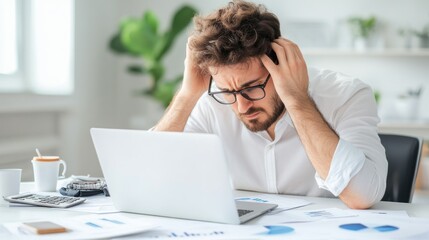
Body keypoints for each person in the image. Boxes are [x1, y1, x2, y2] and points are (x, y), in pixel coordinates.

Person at [153, 0, 387, 209]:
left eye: (252, 87)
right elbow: (150, 177)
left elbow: (362, 196)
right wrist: (185, 95)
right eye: (227, 91)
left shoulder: (346, 95)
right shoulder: (210, 103)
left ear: (281, 66)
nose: (242, 107)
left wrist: (297, 99)